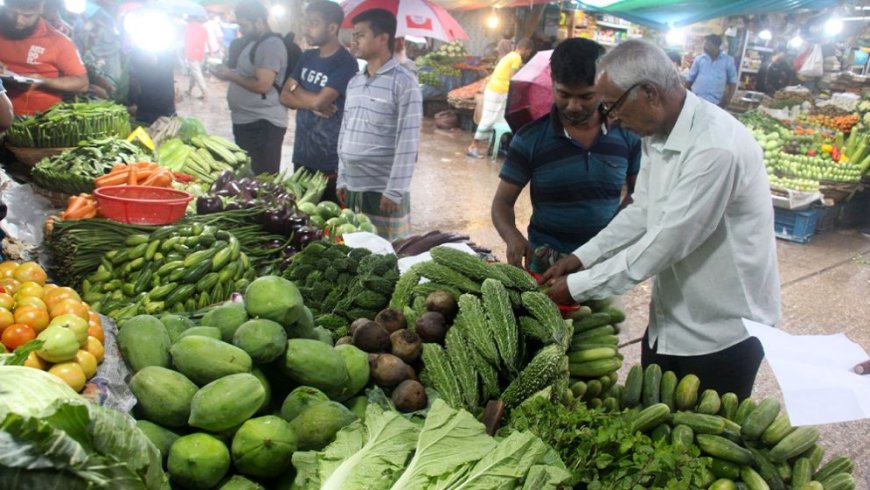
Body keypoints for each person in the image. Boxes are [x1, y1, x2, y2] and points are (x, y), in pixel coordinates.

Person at [542, 40, 781, 399]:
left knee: (704, 442)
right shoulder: (658, 132)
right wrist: (582, 257)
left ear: (649, 93)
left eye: (612, 106)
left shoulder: (714, 149)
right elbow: (643, 209)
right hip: (671, 321)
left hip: (722, 333)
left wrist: (577, 287)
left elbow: (667, 243)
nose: (612, 118)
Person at [492, 38, 641, 273]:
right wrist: (513, 237)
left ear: (604, 87)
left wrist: (613, 236)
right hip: (545, 262)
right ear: (551, 84)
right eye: (564, 94)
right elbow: (502, 202)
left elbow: (638, 194)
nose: (573, 106)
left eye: (586, 97)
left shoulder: (628, 134)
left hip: (603, 263)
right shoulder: (529, 138)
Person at [337, 8, 422, 240]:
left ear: (383, 38)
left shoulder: (404, 83)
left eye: (360, 35)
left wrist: (395, 190)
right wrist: (342, 176)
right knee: (355, 254)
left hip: (383, 191)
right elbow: (345, 131)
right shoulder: (354, 83)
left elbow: (408, 141)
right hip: (353, 187)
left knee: (388, 259)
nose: (353, 41)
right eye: (353, 35)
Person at [280, 0, 357, 203]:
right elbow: (284, 96)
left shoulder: (345, 62)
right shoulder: (307, 56)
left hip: (329, 160)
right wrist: (311, 103)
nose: (306, 29)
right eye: (306, 23)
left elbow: (320, 102)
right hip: (302, 155)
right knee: (299, 215)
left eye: (313, 23)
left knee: (326, 220)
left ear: (332, 28)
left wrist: (298, 90)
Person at [211, 0, 288, 175]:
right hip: (248, 121)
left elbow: (263, 85)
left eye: (244, 25)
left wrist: (230, 75)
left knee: (262, 179)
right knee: (248, 176)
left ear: (259, 21)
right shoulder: (253, 43)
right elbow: (245, 75)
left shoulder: (270, 45)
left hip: (262, 124)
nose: (241, 29)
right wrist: (225, 73)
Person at [0, 0, 88, 115]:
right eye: (11, 13)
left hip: (39, 119)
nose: (18, 21)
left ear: (41, 8)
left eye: (27, 16)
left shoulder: (57, 41)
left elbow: (82, 83)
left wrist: (43, 81)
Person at [467, 38, 534, 159]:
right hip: (497, 91)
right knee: (488, 119)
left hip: (499, 91)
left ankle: (496, 148)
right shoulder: (516, 58)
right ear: (524, 49)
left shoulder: (510, 56)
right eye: (528, 52)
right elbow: (512, 78)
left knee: (499, 120)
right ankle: (473, 146)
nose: (528, 55)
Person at [685, 34, 737, 108]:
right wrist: (684, 94)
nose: (705, 46)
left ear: (716, 45)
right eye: (705, 44)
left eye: (708, 44)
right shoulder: (699, 59)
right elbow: (690, 79)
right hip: (696, 98)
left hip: (716, 102)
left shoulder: (728, 60)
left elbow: (732, 81)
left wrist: (729, 98)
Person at [128, 47, 176, 125]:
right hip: (145, 111)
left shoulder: (165, 56)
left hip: (165, 108)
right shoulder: (138, 57)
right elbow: (134, 81)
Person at [185, 16, 209, 100]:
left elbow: (185, 39)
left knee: (196, 73)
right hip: (201, 52)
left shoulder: (188, 27)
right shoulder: (203, 28)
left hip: (191, 52)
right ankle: (189, 89)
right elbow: (205, 39)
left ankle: (204, 91)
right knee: (194, 73)